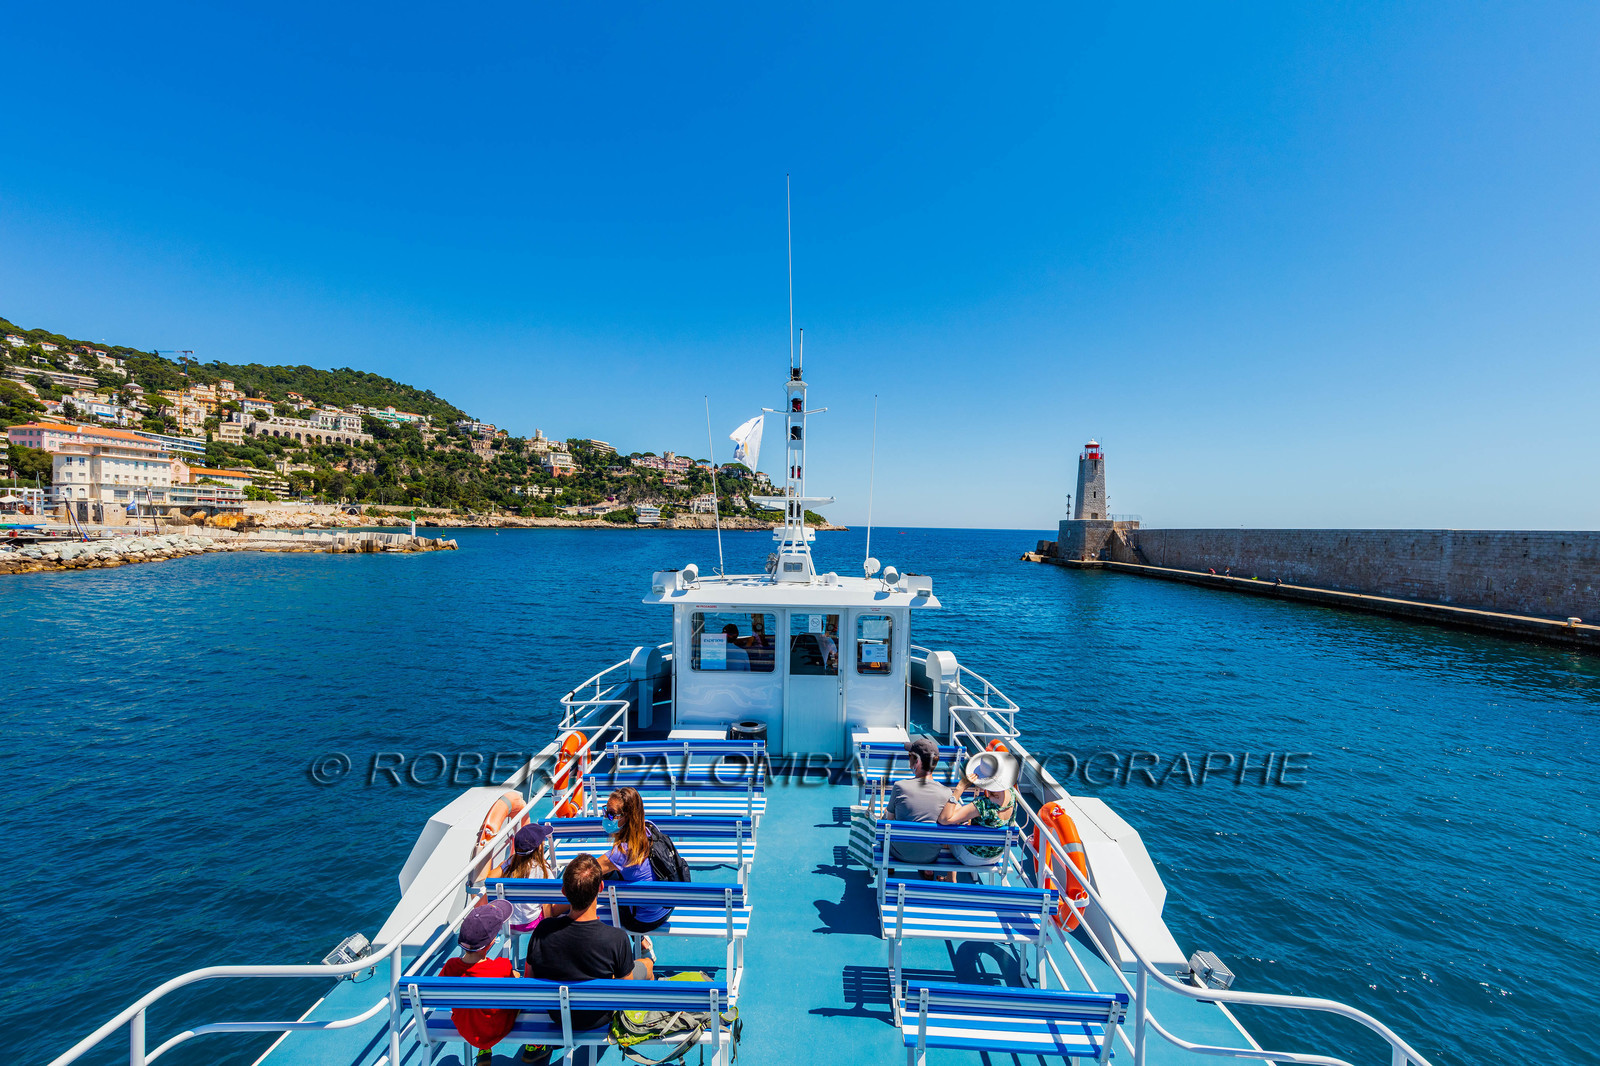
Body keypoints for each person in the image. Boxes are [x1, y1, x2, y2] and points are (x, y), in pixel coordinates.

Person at [524, 853, 654, 1043]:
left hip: (558, 1014)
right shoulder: (616, 939)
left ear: (563, 892)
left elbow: (530, 980)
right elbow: (626, 991)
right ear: (601, 888)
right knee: (646, 964)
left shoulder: (542, 930)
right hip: (598, 1017)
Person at [441, 898, 518, 1066]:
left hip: (466, 1030)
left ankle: (483, 1049)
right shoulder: (501, 966)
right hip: (497, 1029)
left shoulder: (450, 967)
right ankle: (537, 1045)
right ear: (491, 943)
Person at [594, 787, 671, 933]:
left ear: (627, 817)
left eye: (611, 814)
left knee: (596, 880)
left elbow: (585, 873)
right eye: (605, 811)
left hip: (643, 920)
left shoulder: (621, 853)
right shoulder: (649, 828)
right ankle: (644, 945)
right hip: (665, 909)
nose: (605, 817)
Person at [884, 737, 954, 879]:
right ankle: (928, 870)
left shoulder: (900, 787)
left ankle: (890, 867)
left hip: (900, 853)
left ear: (917, 761)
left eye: (910, 757)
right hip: (930, 856)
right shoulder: (947, 793)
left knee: (886, 818)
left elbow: (889, 822)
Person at [938, 750, 1021, 865]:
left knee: (952, 816)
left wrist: (960, 788)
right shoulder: (1012, 793)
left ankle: (950, 877)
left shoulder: (982, 805)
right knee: (959, 813)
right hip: (996, 855)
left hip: (971, 857)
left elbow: (944, 819)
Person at [504, 824, 567, 936]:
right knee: (572, 900)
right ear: (540, 848)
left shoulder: (508, 866)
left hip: (508, 924)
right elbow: (548, 902)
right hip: (532, 923)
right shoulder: (542, 870)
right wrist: (549, 924)